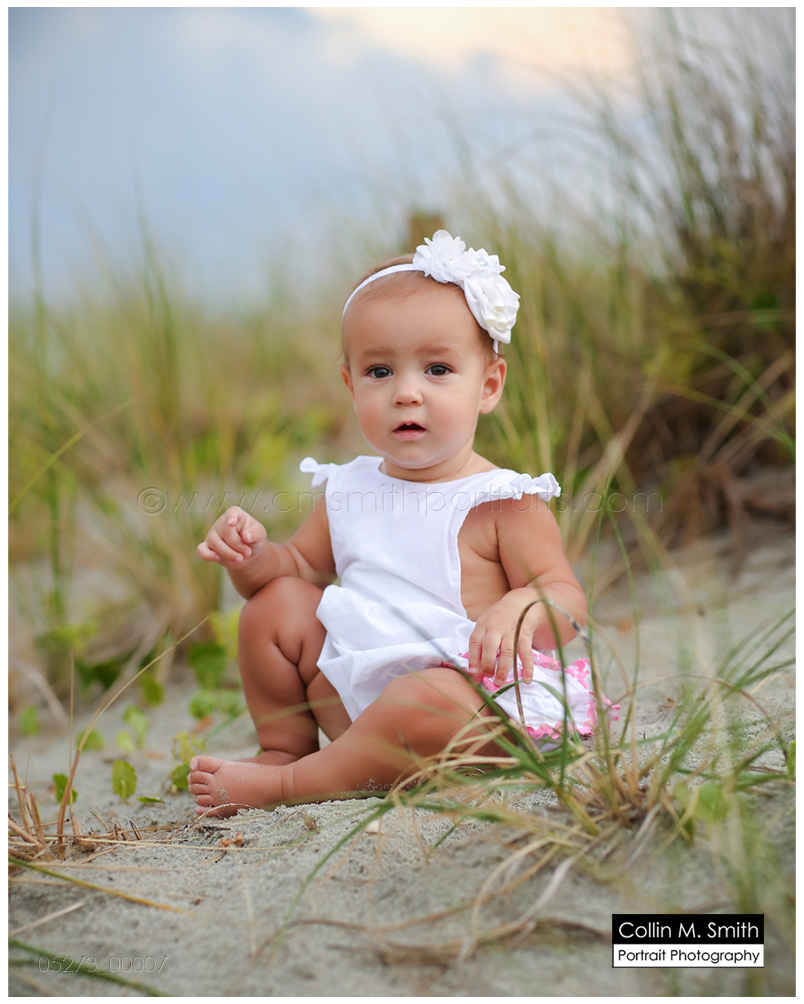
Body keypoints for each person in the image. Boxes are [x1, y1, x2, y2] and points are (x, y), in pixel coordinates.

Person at [188, 230, 615, 817]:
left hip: (477, 711)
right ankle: (284, 751)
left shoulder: (502, 501)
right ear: (350, 384)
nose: (407, 393)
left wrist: (522, 606)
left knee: (425, 697)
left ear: (487, 386)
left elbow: (567, 603)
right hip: (365, 698)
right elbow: (291, 572)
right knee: (275, 605)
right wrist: (254, 556)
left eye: (438, 369)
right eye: (380, 372)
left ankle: (294, 787)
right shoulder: (350, 489)